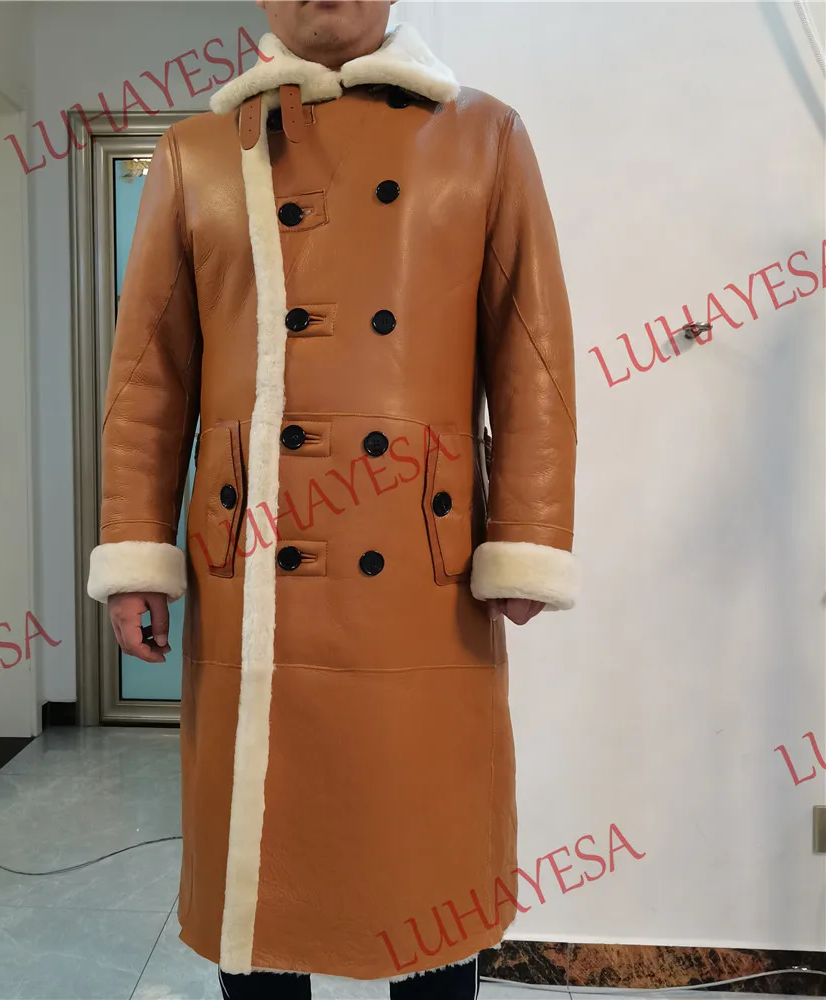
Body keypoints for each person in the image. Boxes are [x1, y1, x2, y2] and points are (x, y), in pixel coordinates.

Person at [87, 1, 578, 997]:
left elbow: (531, 353)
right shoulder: (197, 151)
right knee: (258, 886)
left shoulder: (485, 135)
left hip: (422, 576)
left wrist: (526, 537)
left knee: (427, 869)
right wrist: (136, 550)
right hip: (251, 571)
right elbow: (148, 376)